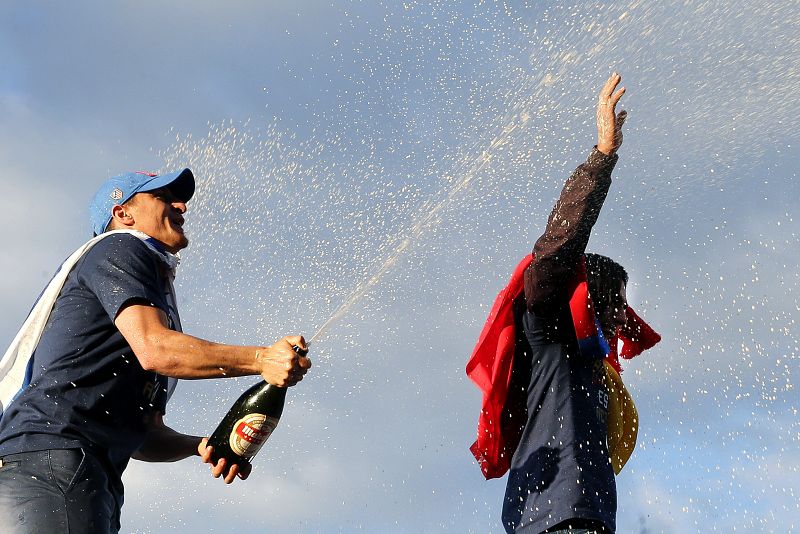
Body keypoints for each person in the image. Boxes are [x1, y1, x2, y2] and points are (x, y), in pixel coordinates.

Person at [0, 168, 312, 533]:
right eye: (163, 197)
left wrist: (201, 445)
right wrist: (262, 359)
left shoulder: (149, 291)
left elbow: (144, 437)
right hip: (54, 465)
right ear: (123, 214)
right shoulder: (121, 246)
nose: (181, 206)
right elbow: (156, 350)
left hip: (67, 473)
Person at [466, 73, 660, 533]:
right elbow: (556, 251)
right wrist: (602, 158)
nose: (621, 316)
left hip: (579, 520)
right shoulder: (551, 337)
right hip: (557, 521)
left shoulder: (594, 368)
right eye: (613, 301)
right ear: (583, 295)